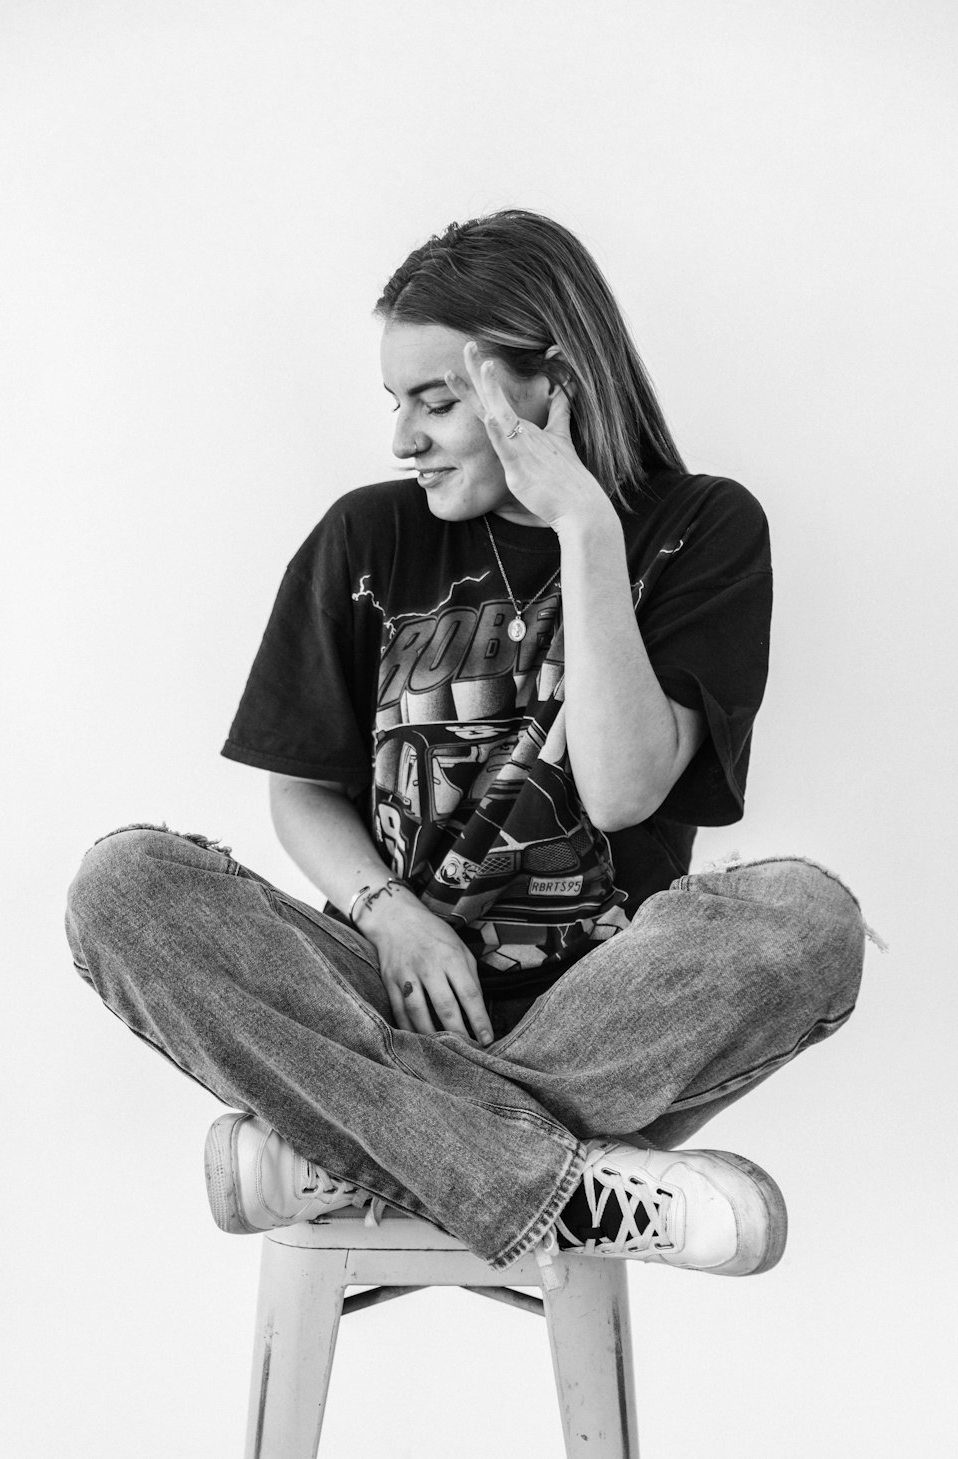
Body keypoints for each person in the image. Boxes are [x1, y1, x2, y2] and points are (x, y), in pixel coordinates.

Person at [66, 209, 867, 1277]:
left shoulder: (701, 530)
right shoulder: (366, 535)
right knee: (125, 885)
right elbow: (301, 792)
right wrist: (389, 917)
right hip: (370, 994)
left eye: (437, 402)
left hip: (606, 1006)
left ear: (553, 382)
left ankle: (352, 1151)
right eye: (397, 402)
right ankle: (579, 1186)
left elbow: (626, 792)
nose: (403, 438)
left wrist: (585, 525)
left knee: (806, 921)